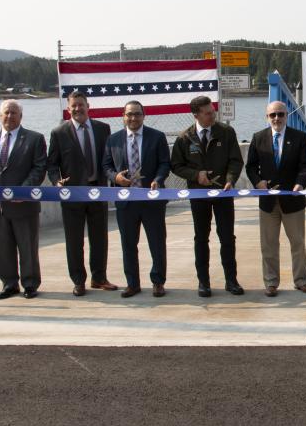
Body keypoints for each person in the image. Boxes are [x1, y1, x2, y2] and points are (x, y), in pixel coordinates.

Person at [171, 95, 244, 297]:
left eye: (213, 111)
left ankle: (231, 280)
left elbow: (236, 160)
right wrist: (196, 176)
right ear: (196, 115)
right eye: (208, 113)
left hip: (223, 194)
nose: (213, 115)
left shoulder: (226, 132)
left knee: (227, 238)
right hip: (199, 195)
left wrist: (231, 179)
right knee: (201, 239)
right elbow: (176, 165)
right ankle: (204, 282)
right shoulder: (185, 138)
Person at [46, 91, 118, 296]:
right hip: (73, 194)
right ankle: (78, 280)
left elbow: (108, 159)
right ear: (68, 109)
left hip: (98, 191)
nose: (77, 109)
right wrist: (56, 181)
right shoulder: (59, 133)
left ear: (88, 106)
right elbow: (52, 165)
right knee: (74, 240)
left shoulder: (103, 129)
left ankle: (99, 277)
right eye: (73, 106)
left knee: (100, 238)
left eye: (81, 105)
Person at [0, 99, 47, 299]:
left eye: (14, 113)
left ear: (20, 116)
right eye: (6, 113)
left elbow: (39, 168)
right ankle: (9, 284)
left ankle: (30, 283)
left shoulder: (34, 139)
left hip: (24, 205)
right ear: (0, 115)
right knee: (2, 248)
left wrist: (22, 191)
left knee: (28, 247)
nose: (9, 116)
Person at [102, 100, 171, 298]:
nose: (133, 118)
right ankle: (132, 283)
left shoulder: (156, 137)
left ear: (144, 115)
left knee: (157, 243)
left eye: (137, 114)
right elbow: (106, 166)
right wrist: (115, 177)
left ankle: (158, 282)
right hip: (126, 202)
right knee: (128, 244)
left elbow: (165, 163)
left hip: (152, 201)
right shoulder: (113, 140)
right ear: (123, 116)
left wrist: (158, 179)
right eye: (129, 114)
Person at [245, 101, 306, 296]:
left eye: (281, 114)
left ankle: (301, 280)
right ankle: (271, 282)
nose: (277, 118)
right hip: (268, 203)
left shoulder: (299, 137)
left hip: (293, 201)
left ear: (287, 116)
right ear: (267, 117)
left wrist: (301, 183)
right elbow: (250, 166)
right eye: (273, 115)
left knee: (298, 243)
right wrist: (258, 182)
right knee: (268, 244)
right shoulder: (258, 138)